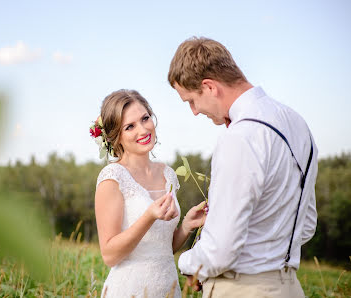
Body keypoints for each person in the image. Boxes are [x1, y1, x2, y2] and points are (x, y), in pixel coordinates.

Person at [167, 37, 318, 297]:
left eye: (191, 100)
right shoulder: (298, 124)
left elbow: (219, 252)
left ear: (209, 87)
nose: (193, 111)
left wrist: (184, 261)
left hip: (242, 288)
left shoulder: (239, 137)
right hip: (289, 288)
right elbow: (306, 224)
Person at [92, 89, 207, 297]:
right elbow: (110, 255)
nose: (143, 130)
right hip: (129, 290)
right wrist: (149, 216)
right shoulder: (112, 178)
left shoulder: (168, 174)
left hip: (168, 288)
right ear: (116, 137)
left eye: (145, 118)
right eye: (130, 127)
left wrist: (186, 226)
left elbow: (161, 248)